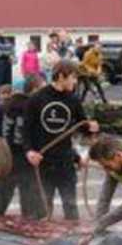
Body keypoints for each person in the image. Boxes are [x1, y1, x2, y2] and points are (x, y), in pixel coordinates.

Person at [24, 59, 100, 221]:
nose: (76, 81)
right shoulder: (37, 99)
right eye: (73, 77)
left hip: (65, 161)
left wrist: (91, 127)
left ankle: (72, 241)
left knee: (71, 206)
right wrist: (29, 151)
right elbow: (26, 130)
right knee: (43, 209)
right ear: (60, 76)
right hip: (43, 160)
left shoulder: (73, 100)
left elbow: (82, 126)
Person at [0, 74, 45, 219]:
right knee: (32, 214)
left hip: (4, 158)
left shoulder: (4, 106)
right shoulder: (35, 109)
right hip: (26, 160)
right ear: (34, 90)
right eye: (42, 89)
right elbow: (40, 137)